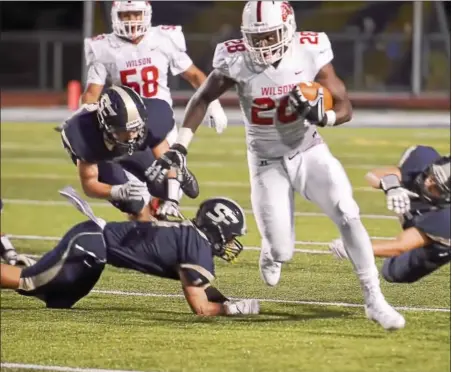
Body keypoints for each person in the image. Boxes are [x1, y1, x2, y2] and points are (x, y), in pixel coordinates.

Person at [147, 1, 405, 330]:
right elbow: (202, 97)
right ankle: (271, 249)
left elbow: (345, 106)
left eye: (270, 36)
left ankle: (374, 298)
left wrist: (323, 116)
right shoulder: (235, 57)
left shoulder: (310, 49)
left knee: (347, 210)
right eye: (257, 37)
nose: (264, 44)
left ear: (287, 28)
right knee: (282, 250)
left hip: (309, 149)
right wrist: (181, 145)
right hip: (266, 159)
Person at [0, 187, 259, 317]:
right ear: (218, 229)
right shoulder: (197, 248)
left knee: (59, 303)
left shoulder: (193, 240)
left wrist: (227, 301)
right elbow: (200, 307)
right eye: (232, 236)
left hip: (94, 248)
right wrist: (231, 310)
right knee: (28, 280)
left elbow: (200, 286)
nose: (232, 243)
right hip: (90, 244)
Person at [78, 0, 227, 138]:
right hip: (124, 123)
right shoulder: (104, 47)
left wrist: (213, 105)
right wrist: (83, 120)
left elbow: (194, 75)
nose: (131, 20)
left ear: (146, 14)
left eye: (136, 14)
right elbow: (92, 93)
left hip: (161, 120)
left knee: (171, 165)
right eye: (126, 15)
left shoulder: (163, 38)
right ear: (115, 16)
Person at [60, 84, 198, 222]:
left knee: (164, 183)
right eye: (124, 131)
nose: (132, 136)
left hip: (132, 148)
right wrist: (119, 191)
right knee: (134, 205)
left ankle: (160, 210)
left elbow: (167, 161)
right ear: (106, 126)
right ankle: (145, 232)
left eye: (136, 128)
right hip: (104, 155)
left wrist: (172, 198)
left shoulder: (151, 121)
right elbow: (89, 185)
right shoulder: (85, 135)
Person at [329, 145, 450, 283]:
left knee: (393, 272)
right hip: (423, 212)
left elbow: (400, 246)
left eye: (435, 186)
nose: (427, 181)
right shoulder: (423, 162)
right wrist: (391, 186)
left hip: (436, 243)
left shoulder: (446, 219)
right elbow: (373, 175)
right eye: (431, 175)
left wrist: (354, 247)